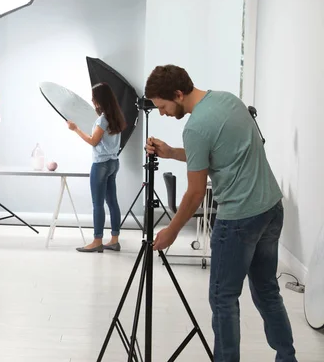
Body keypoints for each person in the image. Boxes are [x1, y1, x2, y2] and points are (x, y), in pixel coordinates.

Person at [144, 64, 296, 362]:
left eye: (162, 106)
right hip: (270, 208)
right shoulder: (228, 100)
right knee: (267, 291)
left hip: (239, 219)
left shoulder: (196, 126)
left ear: (177, 93)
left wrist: (171, 231)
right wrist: (173, 152)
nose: (161, 113)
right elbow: (218, 151)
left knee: (223, 298)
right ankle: (287, 358)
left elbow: (195, 193)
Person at [67, 82, 127, 253]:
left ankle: (97, 240)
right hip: (114, 163)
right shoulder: (116, 116)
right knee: (112, 202)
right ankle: (114, 240)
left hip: (100, 164)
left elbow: (93, 141)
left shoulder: (102, 119)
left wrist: (75, 129)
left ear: (99, 100)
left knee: (98, 204)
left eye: (94, 98)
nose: (92, 101)